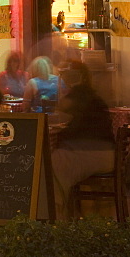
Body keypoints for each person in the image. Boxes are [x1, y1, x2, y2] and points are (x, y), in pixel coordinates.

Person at [51, 59, 115, 219]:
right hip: (106, 154)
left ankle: (57, 217)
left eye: (65, 74)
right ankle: (70, 215)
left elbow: (61, 106)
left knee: (48, 168)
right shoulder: (92, 95)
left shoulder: (79, 93)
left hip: (89, 153)